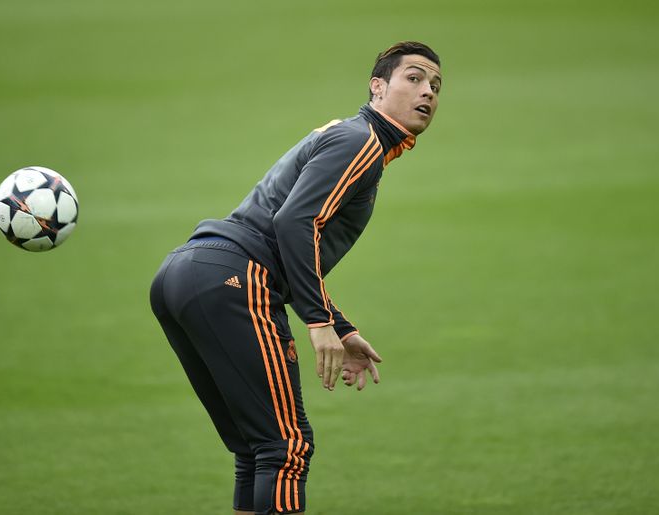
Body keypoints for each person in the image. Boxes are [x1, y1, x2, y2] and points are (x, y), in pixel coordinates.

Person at [150, 41, 442, 515]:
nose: (427, 90)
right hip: (235, 278)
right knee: (286, 449)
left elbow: (287, 241)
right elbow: (293, 225)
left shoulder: (354, 139)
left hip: (188, 274)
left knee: (258, 449)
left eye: (435, 84)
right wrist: (317, 321)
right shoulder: (362, 141)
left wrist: (339, 324)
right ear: (377, 86)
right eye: (414, 77)